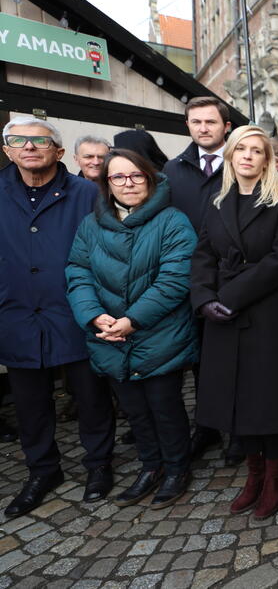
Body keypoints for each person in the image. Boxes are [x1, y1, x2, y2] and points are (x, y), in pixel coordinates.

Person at [66, 150, 197, 508]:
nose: (128, 184)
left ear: (150, 178)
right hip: (108, 335)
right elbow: (77, 272)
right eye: (118, 177)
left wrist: (131, 320)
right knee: (135, 410)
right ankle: (150, 466)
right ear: (106, 184)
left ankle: (175, 468)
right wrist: (93, 316)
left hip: (157, 335)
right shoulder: (91, 225)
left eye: (136, 175)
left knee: (164, 407)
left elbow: (174, 280)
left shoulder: (173, 221)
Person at [0, 117, 115, 517]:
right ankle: (42, 470)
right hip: (15, 315)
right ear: (7, 150)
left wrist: (99, 307)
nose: (29, 147)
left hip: (77, 313)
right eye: (19, 141)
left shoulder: (86, 193)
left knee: (91, 396)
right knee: (30, 403)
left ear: (59, 152)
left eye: (39, 141)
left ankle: (99, 465)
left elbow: (108, 251)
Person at [190, 126, 278, 519]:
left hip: (267, 314)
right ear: (230, 154)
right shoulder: (217, 201)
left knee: (266, 399)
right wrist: (204, 298)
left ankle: (274, 474)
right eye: (241, 148)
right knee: (235, 397)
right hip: (223, 315)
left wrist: (228, 296)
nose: (247, 156)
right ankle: (253, 472)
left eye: (257, 150)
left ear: (267, 160)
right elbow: (203, 254)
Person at [163, 96, 244, 466]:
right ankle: (208, 426)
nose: (203, 128)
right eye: (196, 122)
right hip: (191, 279)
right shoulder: (173, 169)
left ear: (225, 126)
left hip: (235, 276)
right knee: (199, 360)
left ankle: (240, 432)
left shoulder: (242, 161)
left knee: (235, 359)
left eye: (210, 122)